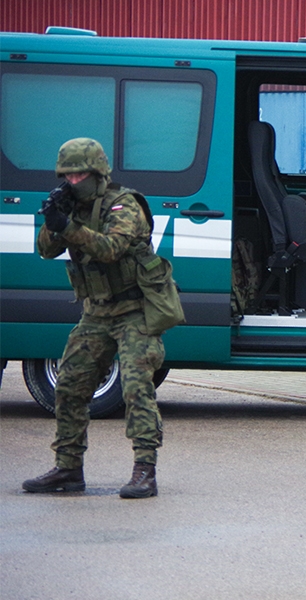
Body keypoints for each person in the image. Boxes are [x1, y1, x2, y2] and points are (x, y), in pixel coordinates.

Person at [22, 138, 165, 499]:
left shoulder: (124, 204)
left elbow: (111, 249)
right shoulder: (74, 205)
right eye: (67, 175)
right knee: (68, 385)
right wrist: (55, 221)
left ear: (98, 172)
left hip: (134, 311)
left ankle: (144, 470)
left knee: (135, 387)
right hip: (97, 312)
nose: (73, 181)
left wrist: (68, 226)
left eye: (80, 173)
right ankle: (68, 469)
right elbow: (45, 250)